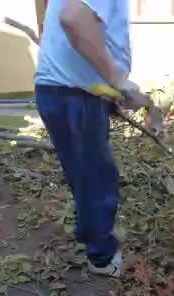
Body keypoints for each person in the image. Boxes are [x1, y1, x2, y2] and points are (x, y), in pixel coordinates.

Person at [35, 0, 149, 277]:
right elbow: (73, 19)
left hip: (77, 92)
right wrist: (117, 80)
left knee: (87, 173)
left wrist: (108, 94)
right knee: (96, 175)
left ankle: (94, 231)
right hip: (72, 93)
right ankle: (101, 257)